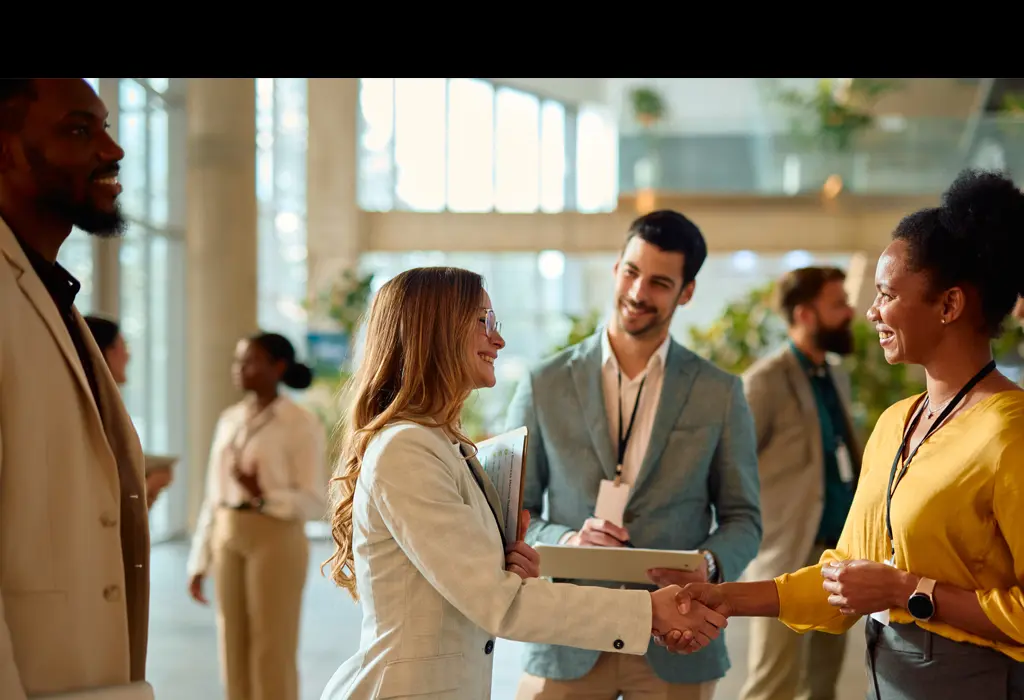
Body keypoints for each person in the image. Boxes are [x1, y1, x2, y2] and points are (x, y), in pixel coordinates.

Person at [662, 170, 1024, 699]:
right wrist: (726, 597)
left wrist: (907, 590)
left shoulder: (1009, 432)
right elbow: (842, 575)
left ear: (949, 305)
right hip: (889, 677)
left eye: (885, 294)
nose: (870, 312)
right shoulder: (897, 422)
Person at [319, 267, 728, 700]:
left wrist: (509, 570)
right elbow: (499, 603)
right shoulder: (408, 449)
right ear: (434, 329)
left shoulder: (442, 444)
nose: (498, 340)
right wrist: (648, 611)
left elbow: (475, 586)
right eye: (484, 321)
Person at [506, 210, 762, 699]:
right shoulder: (543, 383)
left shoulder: (719, 392)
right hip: (568, 634)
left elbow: (744, 519)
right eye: (631, 272)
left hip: (677, 639)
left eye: (660, 283)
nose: (638, 292)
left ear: (686, 292)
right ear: (615, 269)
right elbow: (515, 514)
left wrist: (708, 564)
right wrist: (568, 540)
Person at [0, 79, 152, 699]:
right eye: (78, 130)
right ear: (6, 148)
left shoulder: (48, 292)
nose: (113, 150)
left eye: (106, 127)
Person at [739, 266, 860, 700]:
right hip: (786, 553)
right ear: (805, 314)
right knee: (773, 683)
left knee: (823, 683)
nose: (850, 312)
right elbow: (733, 468)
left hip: (837, 554)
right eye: (838, 304)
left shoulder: (835, 373)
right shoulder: (765, 380)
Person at [187, 332, 327, 700]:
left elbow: (314, 501)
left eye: (249, 361)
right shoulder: (229, 419)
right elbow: (213, 494)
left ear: (278, 367)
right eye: (238, 360)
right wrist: (199, 559)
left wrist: (262, 496)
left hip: (275, 536)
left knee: (272, 646)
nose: (238, 368)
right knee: (231, 643)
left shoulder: (300, 422)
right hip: (226, 533)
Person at [84, 314, 173, 509]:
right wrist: (147, 489)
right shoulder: (96, 409)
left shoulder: (103, 405)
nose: (127, 356)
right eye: (122, 346)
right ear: (106, 352)